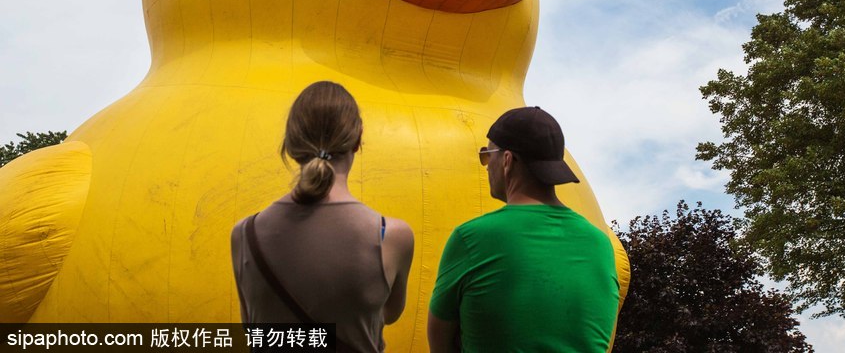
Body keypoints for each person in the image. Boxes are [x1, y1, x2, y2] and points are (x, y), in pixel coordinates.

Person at [231, 81, 414, 352]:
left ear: (290, 144)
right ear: (358, 139)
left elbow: (252, 326)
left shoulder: (244, 234)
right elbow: (387, 314)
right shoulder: (391, 236)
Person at [428, 106, 620, 352]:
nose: (486, 165)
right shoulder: (600, 244)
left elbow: (439, 344)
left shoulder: (471, 238)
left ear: (507, 160)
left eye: (487, 155)